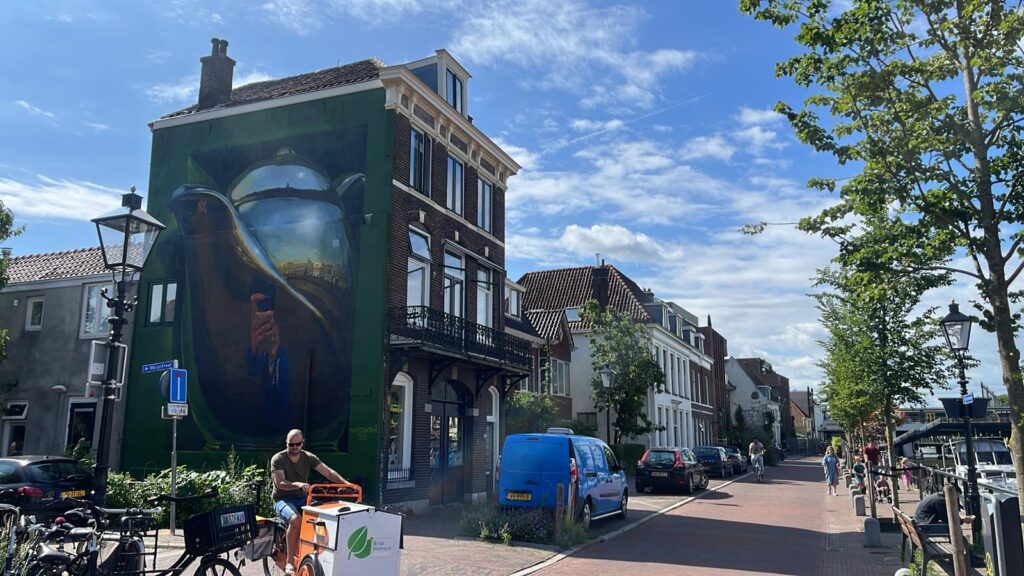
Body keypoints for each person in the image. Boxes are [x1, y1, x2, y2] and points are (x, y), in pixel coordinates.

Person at [271, 429, 348, 573]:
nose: (294, 447)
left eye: (297, 444)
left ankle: (319, 554)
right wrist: (298, 484)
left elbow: (328, 472)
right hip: (283, 498)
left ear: (302, 443)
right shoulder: (278, 459)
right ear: (286, 443)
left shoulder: (308, 457)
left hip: (302, 497)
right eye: (291, 444)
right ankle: (289, 562)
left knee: (323, 515)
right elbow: (279, 483)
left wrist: (346, 484)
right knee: (295, 520)